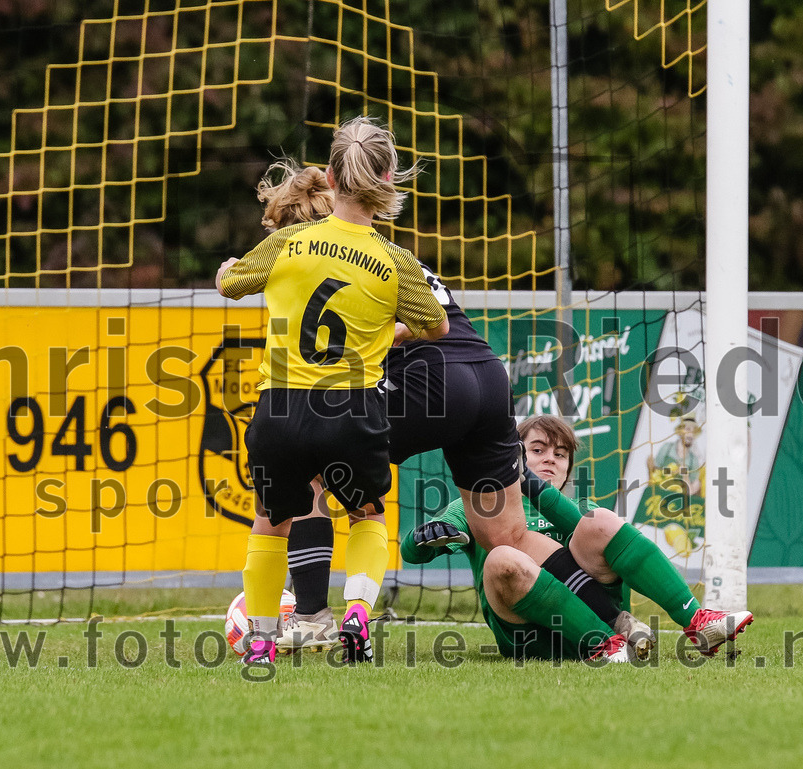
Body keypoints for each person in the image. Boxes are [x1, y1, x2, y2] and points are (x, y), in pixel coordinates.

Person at [247, 157, 643, 655]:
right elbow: (437, 319)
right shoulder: (393, 254)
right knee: (507, 533)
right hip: (485, 377)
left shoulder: (322, 257)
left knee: (311, 472)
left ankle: (310, 616)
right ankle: (617, 627)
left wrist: (372, 340)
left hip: (429, 383)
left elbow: (414, 329)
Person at [216, 116, 450, 664]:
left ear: (331, 176)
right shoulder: (396, 262)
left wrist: (229, 268)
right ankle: (357, 617)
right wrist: (389, 328)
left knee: (271, 521)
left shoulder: (291, 242)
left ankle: (260, 644)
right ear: (388, 177)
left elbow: (230, 283)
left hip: (280, 409)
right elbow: (438, 326)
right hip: (352, 410)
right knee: (366, 514)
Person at [512, 415, 753, 657]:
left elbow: (584, 522)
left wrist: (529, 482)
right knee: (502, 558)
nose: (550, 459)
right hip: (527, 637)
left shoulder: (585, 508)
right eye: (537, 450)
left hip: (609, 634)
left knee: (600, 520)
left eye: (561, 454)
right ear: (514, 456)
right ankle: (609, 634)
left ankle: (696, 620)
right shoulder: (493, 512)